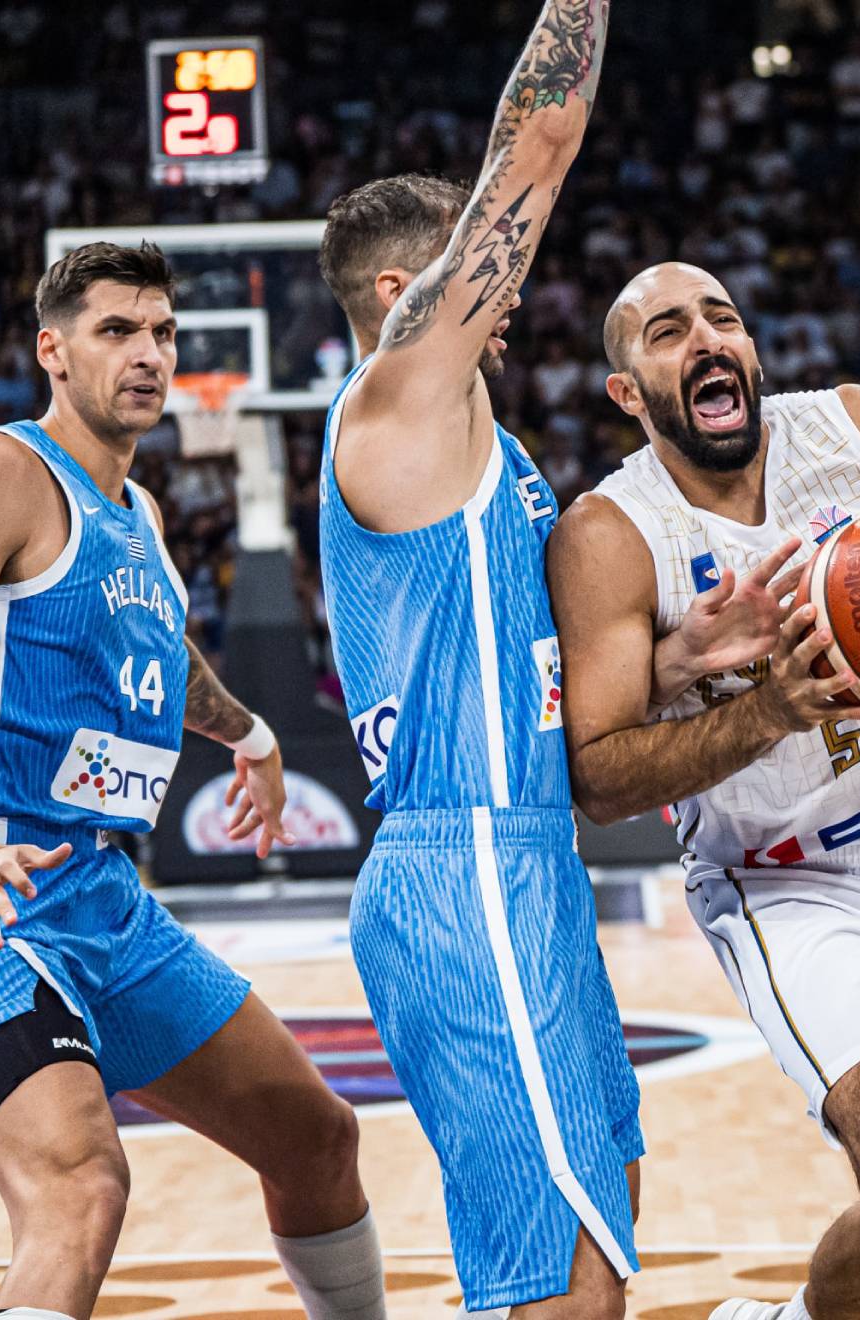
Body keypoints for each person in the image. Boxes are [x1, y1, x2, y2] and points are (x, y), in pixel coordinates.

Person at [0, 242, 381, 1320]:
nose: (147, 356)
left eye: (161, 334)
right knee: (83, 1186)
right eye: (116, 332)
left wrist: (248, 731)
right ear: (53, 351)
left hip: (106, 901)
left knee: (319, 1138)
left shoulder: (140, 520)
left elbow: (160, 660)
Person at [550, 261, 860, 1320]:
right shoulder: (612, 535)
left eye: (722, 319)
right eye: (669, 332)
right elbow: (596, 774)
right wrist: (771, 708)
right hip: (784, 880)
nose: (707, 340)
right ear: (630, 393)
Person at [312, 3, 644, 1313]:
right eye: (477, 269)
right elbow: (541, 144)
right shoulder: (394, 411)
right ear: (406, 296)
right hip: (468, 875)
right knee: (554, 1290)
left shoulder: (489, 462)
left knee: (593, 1255)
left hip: (528, 863)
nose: (509, 290)